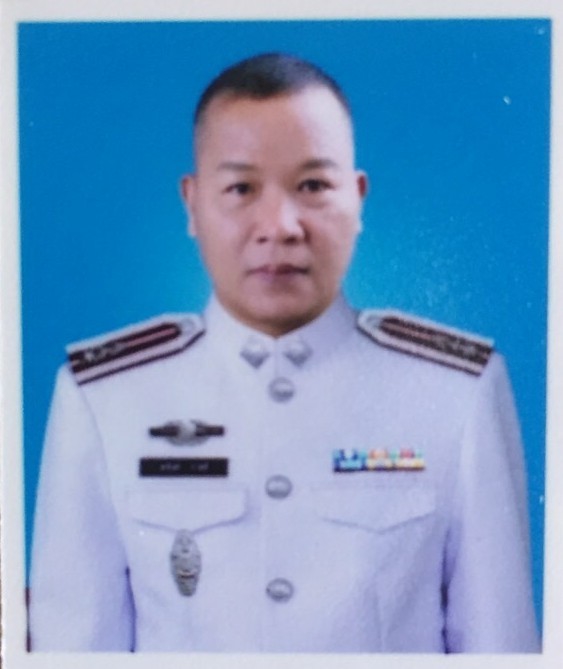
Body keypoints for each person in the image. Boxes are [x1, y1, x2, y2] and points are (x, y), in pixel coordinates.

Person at [29, 52, 539, 653]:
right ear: (192, 204)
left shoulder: (455, 393)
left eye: (313, 186)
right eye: (241, 188)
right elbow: (73, 647)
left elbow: (500, 645)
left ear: (358, 198)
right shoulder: (105, 399)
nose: (280, 226)